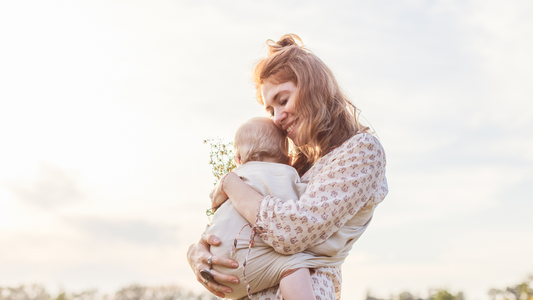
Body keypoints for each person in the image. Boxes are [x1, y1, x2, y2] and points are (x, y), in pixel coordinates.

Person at [187, 34, 389, 300]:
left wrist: (231, 183)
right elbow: (234, 219)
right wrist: (198, 251)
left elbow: (295, 230)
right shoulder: (290, 167)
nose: (277, 117)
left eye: (282, 101)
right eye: (270, 110)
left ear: (313, 88)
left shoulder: (361, 150)